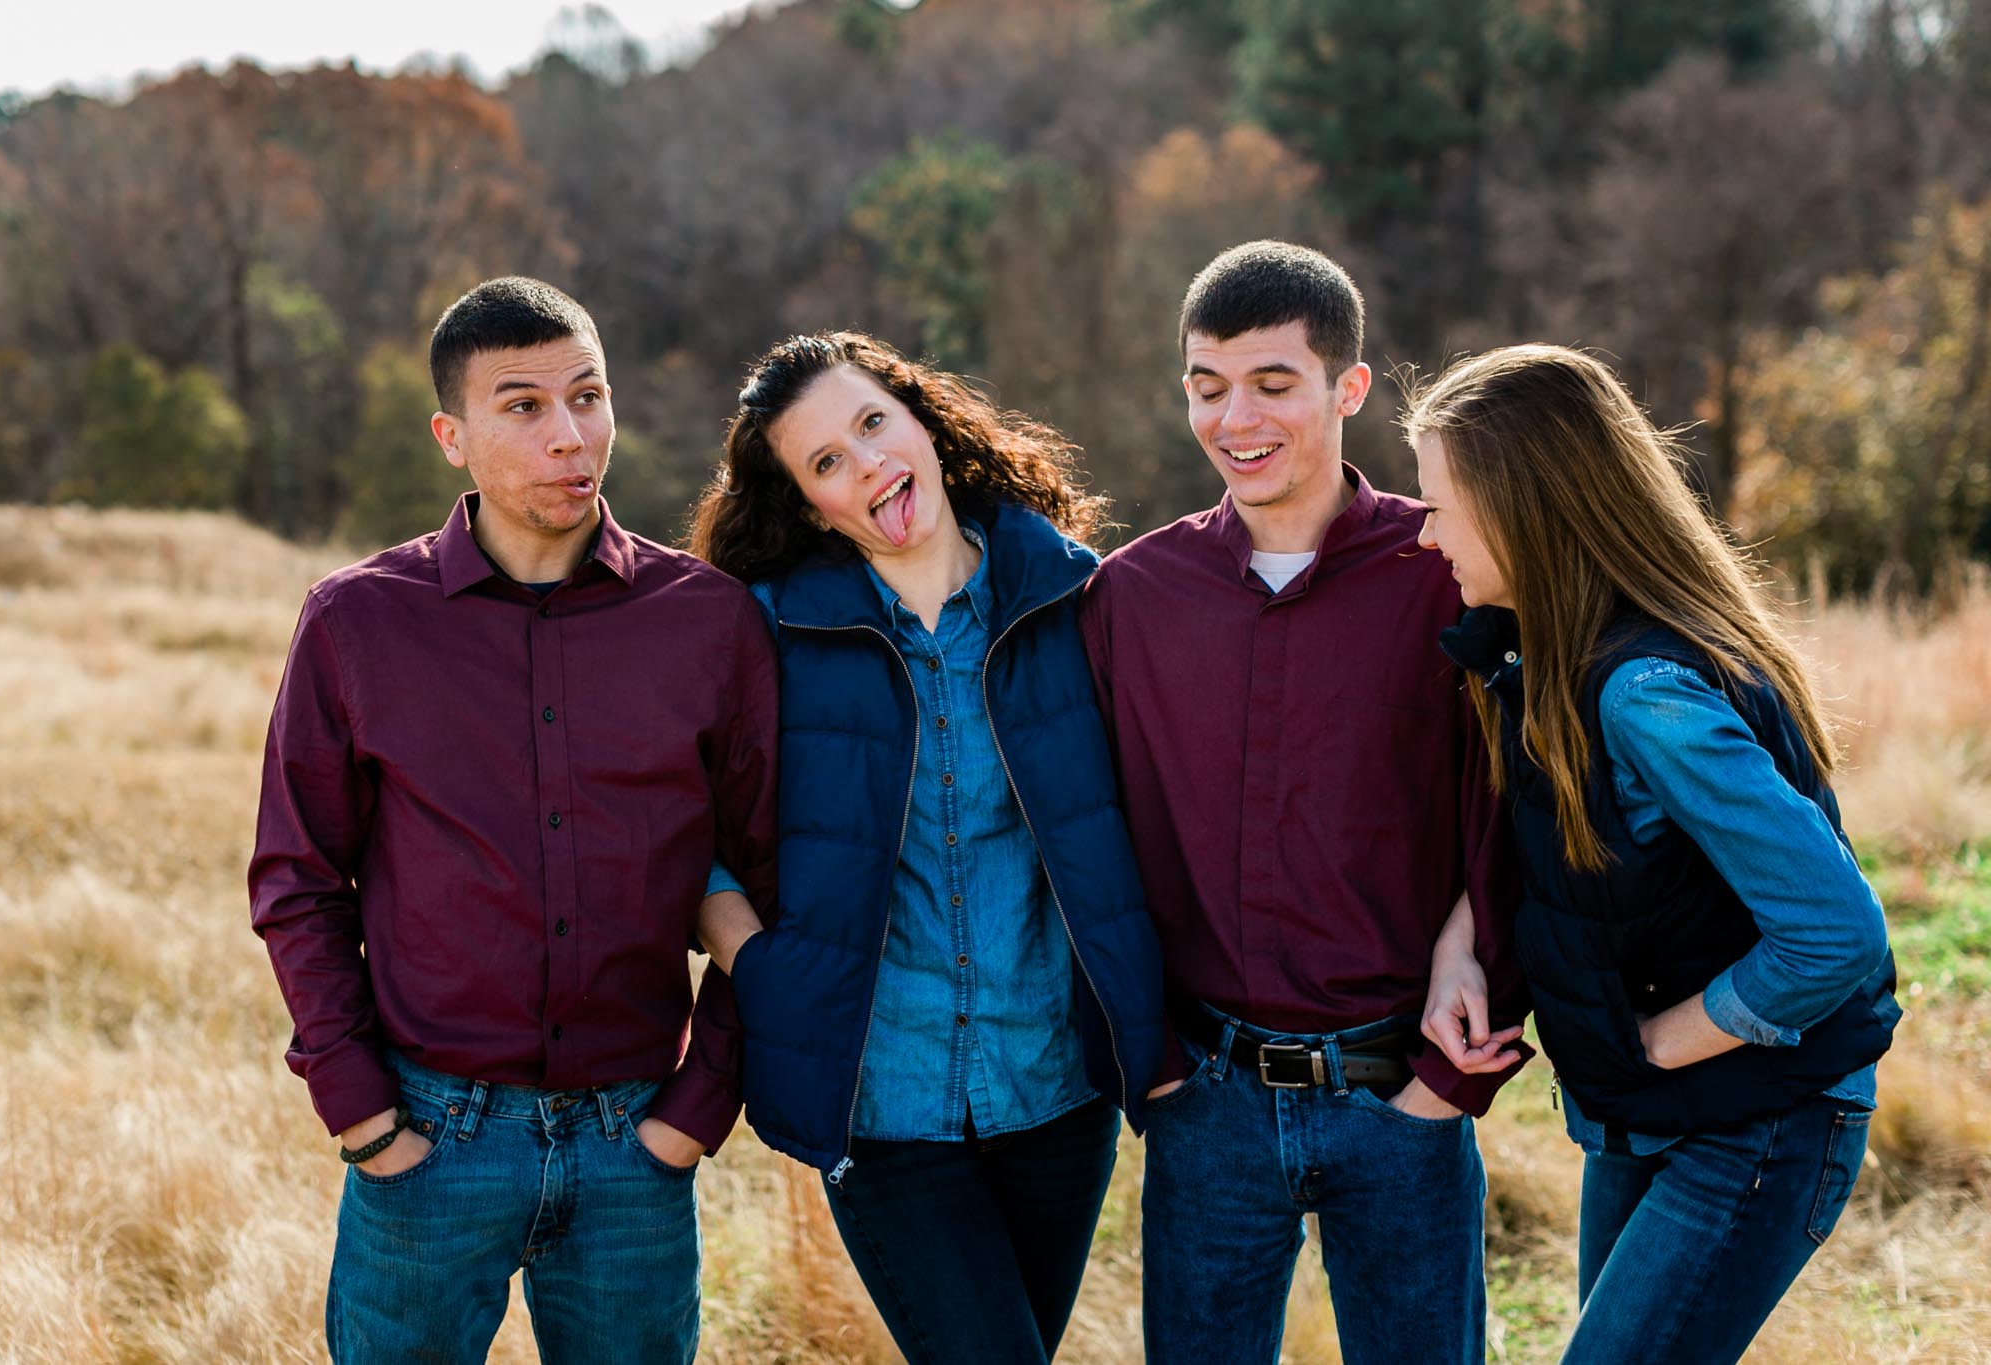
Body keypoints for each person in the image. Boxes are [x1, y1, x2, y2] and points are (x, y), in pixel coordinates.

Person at [249, 276, 779, 1364]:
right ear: (453, 434)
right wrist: (363, 1116)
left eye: (587, 397)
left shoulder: (708, 622)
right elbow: (297, 878)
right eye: (523, 406)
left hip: (636, 1143)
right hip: (430, 1136)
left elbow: (763, 871)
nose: (568, 435)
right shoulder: (357, 621)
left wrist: (694, 1107)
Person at [1077, 239, 1528, 1365]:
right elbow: (1083, 836)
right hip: (1205, 1104)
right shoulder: (1130, 597)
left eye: (1273, 384)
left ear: (1347, 389)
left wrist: (1441, 1075)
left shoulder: (1446, 572)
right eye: (1205, 385)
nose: (1236, 418)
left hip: (1404, 1099)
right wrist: (1152, 1064)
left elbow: (1519, 802)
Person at [1407, 342, 1901, 1365]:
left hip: (1757, 1123)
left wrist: (1667, 1037)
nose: (1423, 533)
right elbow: (1552, 854)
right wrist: (1462, 941)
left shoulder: (1642, 695)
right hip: (1644, 1118)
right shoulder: (1535, 656)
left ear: (1522, 508)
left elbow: (1832, 933)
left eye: (1439, 505)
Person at [683, 330, 1165, 1365]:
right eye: (825, 464)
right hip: (878, 1098)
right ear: (808, 505)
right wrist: (760, 970)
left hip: (1055, 1091)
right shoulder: (763, 638)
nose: (866, 467)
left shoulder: (1072, 600)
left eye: (871, 424)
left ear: (923, 420)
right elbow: (682, 828)